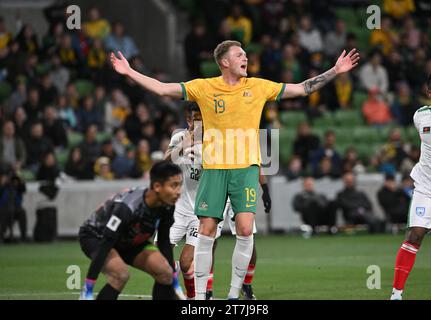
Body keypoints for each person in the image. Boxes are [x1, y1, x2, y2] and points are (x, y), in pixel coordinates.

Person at [110, 39, 359, 299]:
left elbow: (302, 89)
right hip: (215, 169)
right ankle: (202, 297)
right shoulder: (205, 88)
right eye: (240, 55)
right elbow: (162, 89)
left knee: (244, 229)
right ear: (225, 62)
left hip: (245, 169)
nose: (246, 58)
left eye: (246, 55)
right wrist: (129, 72)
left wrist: (335, 71)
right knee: (206, 231)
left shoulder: (258, 87)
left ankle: (232, 295)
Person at [163, 103, 271, 300]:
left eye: (202, 118)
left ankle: (235, 287)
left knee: (244, 239)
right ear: (189, 120)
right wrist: (185, 145)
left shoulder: (219, 138)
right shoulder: (180, 137)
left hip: (213, 203)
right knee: (163, 258)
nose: (201, 122)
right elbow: (166, 161)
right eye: (196, 118)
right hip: (182, 208)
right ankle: (198, 290)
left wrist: (265, 188)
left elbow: (251, 159)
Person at [79, 161, 182, 300]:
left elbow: (164, 241)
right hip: (97, 237)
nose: (178, 192)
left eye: (179, 185)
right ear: (157, 186)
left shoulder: (168, 205)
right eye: (173, 185)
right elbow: (106, 243)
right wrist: (89, 287)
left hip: (129, 239)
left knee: (165, 272)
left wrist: (174, 280)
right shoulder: (127, 208)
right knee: (120, 275)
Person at [390, 71, 431, 300]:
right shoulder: (419, 116)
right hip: (426, 187)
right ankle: (396, 294)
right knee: (414, 235)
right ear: (429, 92)